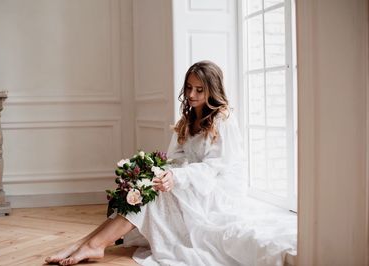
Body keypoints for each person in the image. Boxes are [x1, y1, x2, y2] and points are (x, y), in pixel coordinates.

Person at [45, 60, 296, 266]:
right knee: (144, 188)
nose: (192, 95)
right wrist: (159, 174)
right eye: (189, 88)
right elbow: (175, 158)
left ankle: (95, 245)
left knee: (152, 195)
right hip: (190, 181)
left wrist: (177, 178)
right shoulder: (187, 118)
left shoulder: (223, 119)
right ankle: (86, 242)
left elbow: (217, 166)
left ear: (213, 90)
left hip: (216, 192)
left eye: (199, 90)